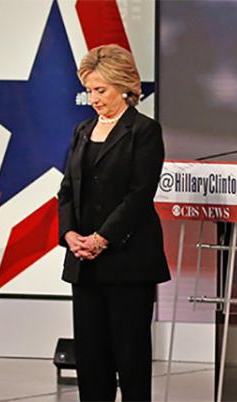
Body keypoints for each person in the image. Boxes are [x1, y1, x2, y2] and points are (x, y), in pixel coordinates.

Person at [57, 44, 170, 402]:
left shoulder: (145, 131)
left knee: (131, 358)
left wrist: (102, 238)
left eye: (100, 90)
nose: (93, 98)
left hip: (128, 261)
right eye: (89, 90)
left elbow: (139, 194)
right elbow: (66, 191)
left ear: (124, 86)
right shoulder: (81, 131)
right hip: (84, 264)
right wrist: (70, 234)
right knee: (91, 361)